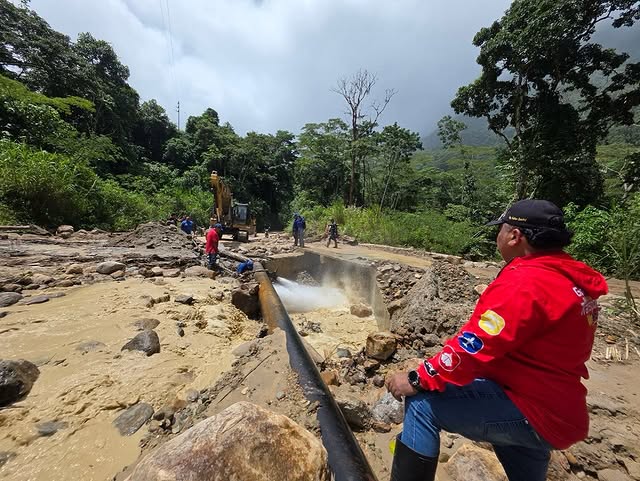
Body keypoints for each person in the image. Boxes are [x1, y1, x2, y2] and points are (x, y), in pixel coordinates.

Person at [385, 199, 608, 481]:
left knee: (421, 405)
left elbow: (475, 345)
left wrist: (418, 378)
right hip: (554, 405)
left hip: (533, 407)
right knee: (515, 441)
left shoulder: (526, 282)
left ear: (515, 235)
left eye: (500, 229)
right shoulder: (567, 278)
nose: (497, 236)